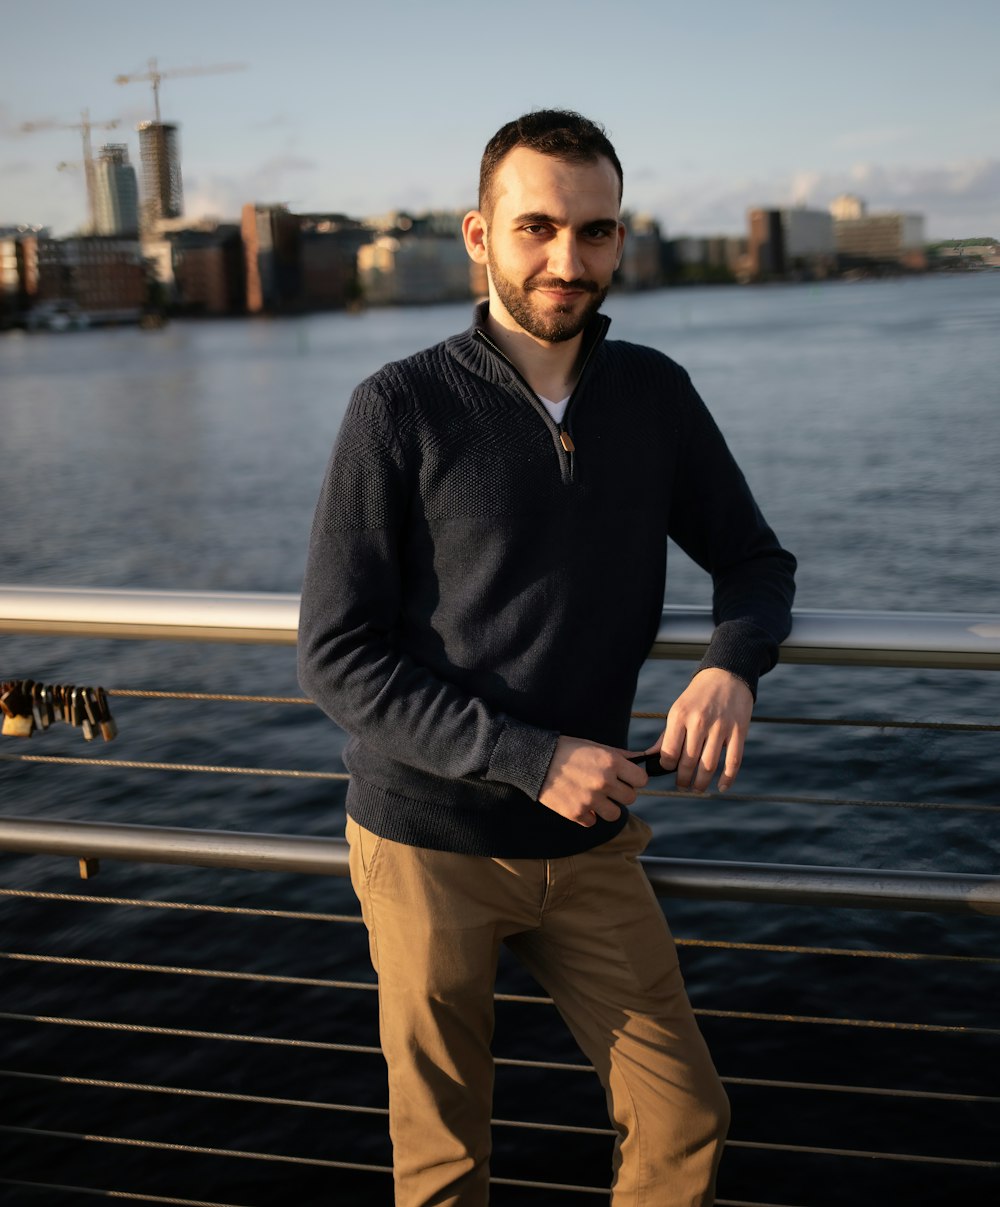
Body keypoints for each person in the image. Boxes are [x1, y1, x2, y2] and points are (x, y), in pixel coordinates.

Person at [298, 109, 796, 1207]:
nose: (568, 261)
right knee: (444, 1165)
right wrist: (527, 757)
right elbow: (335, 653)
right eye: (537, 228)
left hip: (587, 843)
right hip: (427, 838)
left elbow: (755, 560)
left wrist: (730, 662)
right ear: (480, 236)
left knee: (684, 1116)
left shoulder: (653, 394)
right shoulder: (398, 405)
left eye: (597, 232)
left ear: (622, 239)